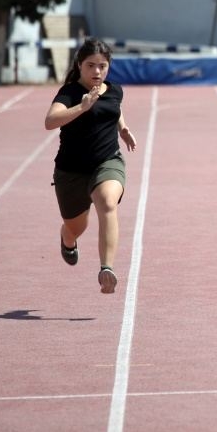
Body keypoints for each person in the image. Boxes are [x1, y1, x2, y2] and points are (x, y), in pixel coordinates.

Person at [44, 37, 137, 294]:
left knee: (107, 201)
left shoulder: (115, 89)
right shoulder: (70, 93)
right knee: (77, 226)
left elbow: (114, 109)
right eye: (91, 65)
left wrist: (124, 129)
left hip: (107, 161)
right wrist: (82, 107)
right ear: (80, 65)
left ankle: (106, 269)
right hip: (71, 171)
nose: (97, 71)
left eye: (102, 66)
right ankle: (68, 239)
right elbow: (50, 121)